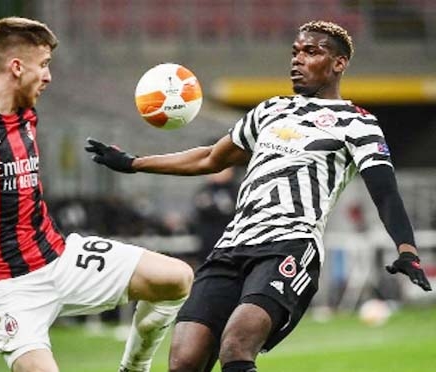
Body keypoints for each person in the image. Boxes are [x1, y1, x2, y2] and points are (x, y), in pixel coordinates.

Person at [85, 20, 433, 372]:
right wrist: (133, 163)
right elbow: (211, 158)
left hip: (290, 246)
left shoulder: (358, 123)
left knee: (236, 345)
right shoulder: (270, 110)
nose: (297, 60)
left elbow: (385, 192)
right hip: (231, 247)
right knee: (184, 360)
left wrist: (407, 250)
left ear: (339, 63)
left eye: (311, 52)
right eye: (295, 52)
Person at [0, 17, 193, 372]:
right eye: (43, 65)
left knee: (176, 279)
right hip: (6, 286)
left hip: (58, 257)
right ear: (16, 67)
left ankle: (134, 369)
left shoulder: (26, 111)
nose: (48, 76)